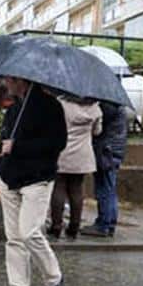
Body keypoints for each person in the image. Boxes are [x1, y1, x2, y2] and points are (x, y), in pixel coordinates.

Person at [0, 77, 66, 286]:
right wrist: (0, 156)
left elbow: (57, 144)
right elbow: (7, 141)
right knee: (13, 237)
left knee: (29, 232)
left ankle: (54, 279)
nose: (6, 81)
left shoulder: (50, 107)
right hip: (10, 177)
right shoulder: (15, 108)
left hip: (37, 179)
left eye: (11, 78)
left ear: (22, 80)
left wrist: (18, 147)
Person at [47, 97, 102, 240]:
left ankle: (56, 226)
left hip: (62, 151)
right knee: (77, 189)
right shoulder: (95, 108)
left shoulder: (61, 104)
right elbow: (97, 131)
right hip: (82, 154)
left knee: (58, 187)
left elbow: (52, 126)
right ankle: (74, 227)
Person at [81, 102, 128, 237]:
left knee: (104, 189)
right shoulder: (118, 106)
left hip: (106, 151)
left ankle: (103, 224)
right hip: (113, 150)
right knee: (110, 188)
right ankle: (109, 223)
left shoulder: (109, 107)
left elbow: (99, 127)